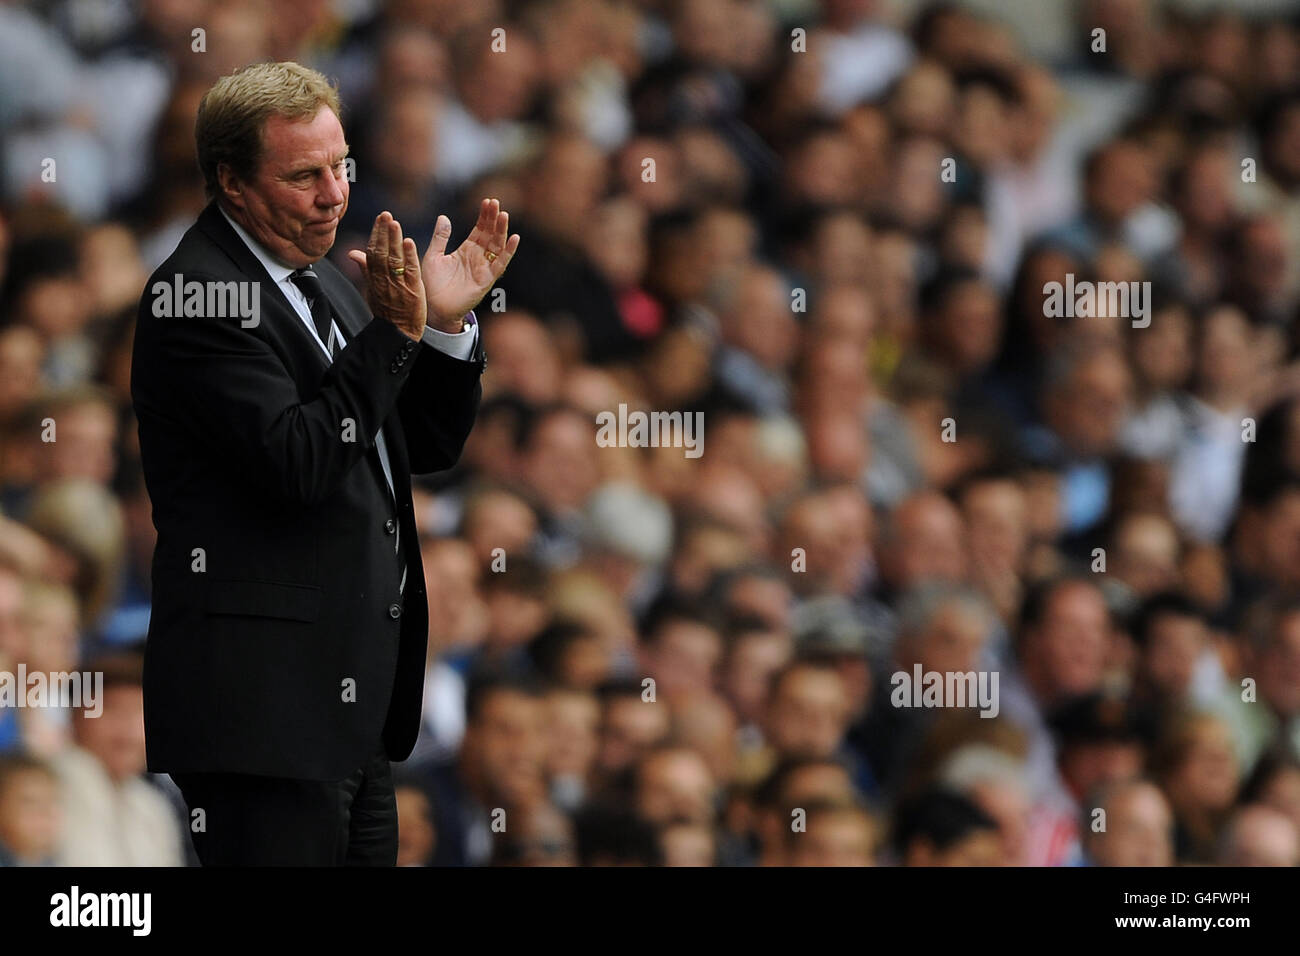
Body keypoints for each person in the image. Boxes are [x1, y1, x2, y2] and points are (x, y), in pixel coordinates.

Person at [130, 61, 519, 866]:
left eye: (339, 166)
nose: (334, 194)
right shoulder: (197, 297)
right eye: (303, 175)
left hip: (347, 705)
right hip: (264, 714)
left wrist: (442, 331)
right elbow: (301, 462)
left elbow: (423, 446)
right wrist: (394, 335)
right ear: (231, 183)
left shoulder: (328, 282)